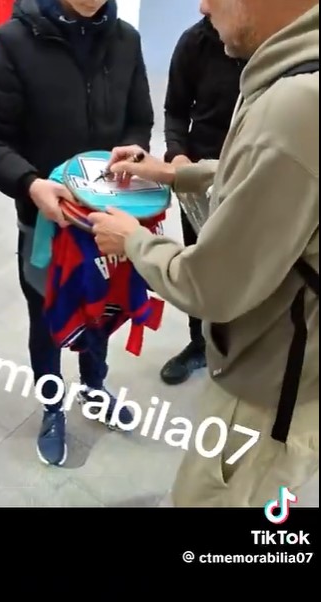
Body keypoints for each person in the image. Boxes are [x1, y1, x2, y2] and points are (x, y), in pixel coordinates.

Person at [88, 0, 319, 507]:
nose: (202, 5)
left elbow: (210, 286)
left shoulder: (298, 102)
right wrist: (172, 170)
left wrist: (132, 238)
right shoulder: (292, 74)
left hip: (270, 384)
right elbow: (263, 167)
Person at [0, 0, 154, 466]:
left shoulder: (126, 39)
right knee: (48, 317)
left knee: (103, 309)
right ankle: (53, 405)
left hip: (108, 219)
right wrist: (30, 183)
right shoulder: (12, 42)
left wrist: (135, 150)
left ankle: (94, 388)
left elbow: (139, 118)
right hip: (45, 222)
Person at [160, 15, 245, 386]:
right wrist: (177, 156)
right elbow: (175, 110)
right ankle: (199, 342)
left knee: (252, 266)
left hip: (254, 173)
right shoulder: (194, 42)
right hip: (198, 179)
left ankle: (243, 348)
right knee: (200, 264)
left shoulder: (273, 43)